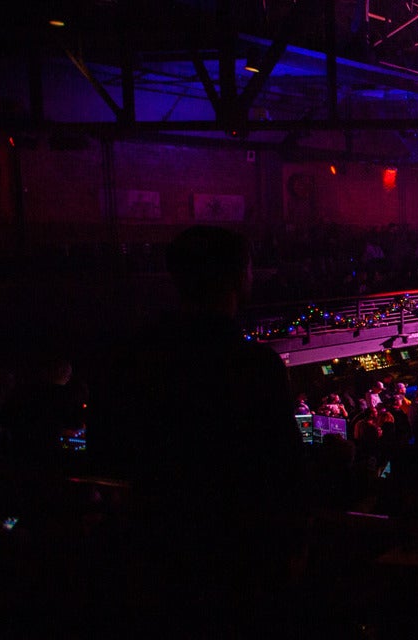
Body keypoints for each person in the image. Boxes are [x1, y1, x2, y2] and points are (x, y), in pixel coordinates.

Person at [89, 225, 305, 634]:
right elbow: (284, 470)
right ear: (239, 276)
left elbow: (103, 455)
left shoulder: (127, 359)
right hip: (237, 558)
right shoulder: (254, 366)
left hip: (147, 554)